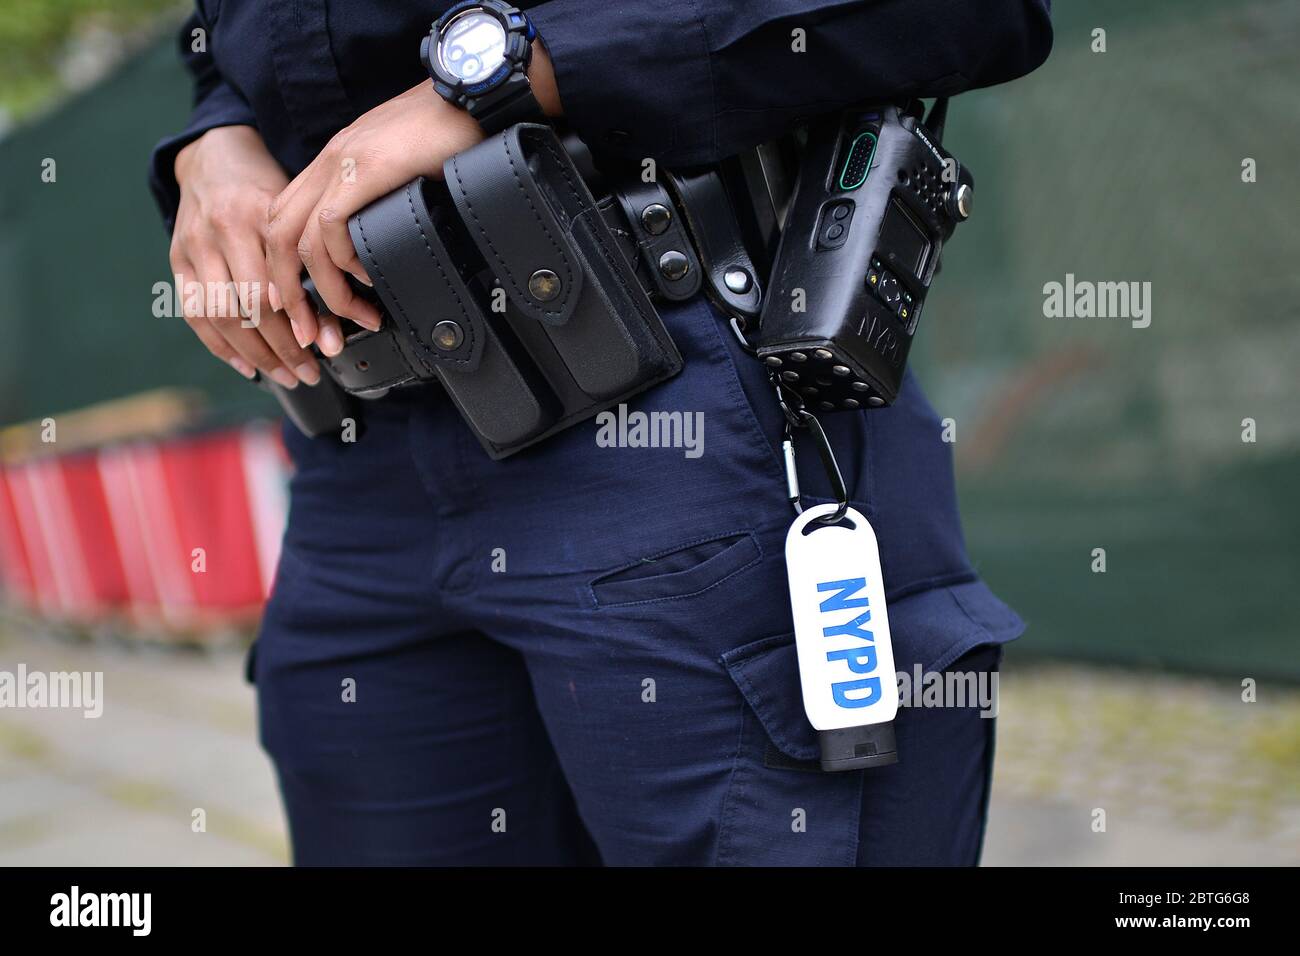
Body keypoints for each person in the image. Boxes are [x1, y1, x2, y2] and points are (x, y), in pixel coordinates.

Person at [152, 1, 1054, 866]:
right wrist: (214, 143)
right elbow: (227, 41)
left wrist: (508, 78)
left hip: (676, 416)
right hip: (360, 475)